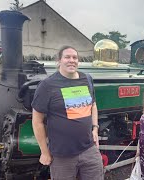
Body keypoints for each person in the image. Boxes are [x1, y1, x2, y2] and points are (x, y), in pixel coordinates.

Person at [31, 46, 104, 180]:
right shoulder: (47, 85)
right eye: (67, 57)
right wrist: (44, 152)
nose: (71, 60)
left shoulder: (87, 79)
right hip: (62, 156)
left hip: (89, 150)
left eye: (74, 57)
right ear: (59, 61)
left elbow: (93, 105)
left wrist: (95, 128)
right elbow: (37, 121)